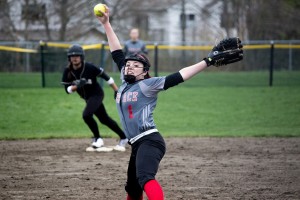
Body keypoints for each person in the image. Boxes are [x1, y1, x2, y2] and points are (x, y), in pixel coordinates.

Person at [95, 6, 242, 200]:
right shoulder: (125, 81)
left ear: (144, 72)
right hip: (137, 144)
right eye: (128, 65)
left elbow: (180, 76)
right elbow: (116, 52)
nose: (129, 67)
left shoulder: (149, 84)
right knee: (132, 189)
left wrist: (207, 61)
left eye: (135, 65)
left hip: (150, 140)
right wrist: (106, 24)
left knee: (145, 177)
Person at [61, 44, 128, 152]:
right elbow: (67, 90)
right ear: (69, 58)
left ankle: (98, 138)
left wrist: (116, 90)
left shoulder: (89, 67)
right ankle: (124, 137)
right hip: (87, 97)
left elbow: (108, 78)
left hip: (97, 94)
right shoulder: (68, 71)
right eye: (72, 56)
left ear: (81, 57)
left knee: (86, 115)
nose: (75, 58)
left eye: (77, 56)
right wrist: (76, 86)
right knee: (104, 119)